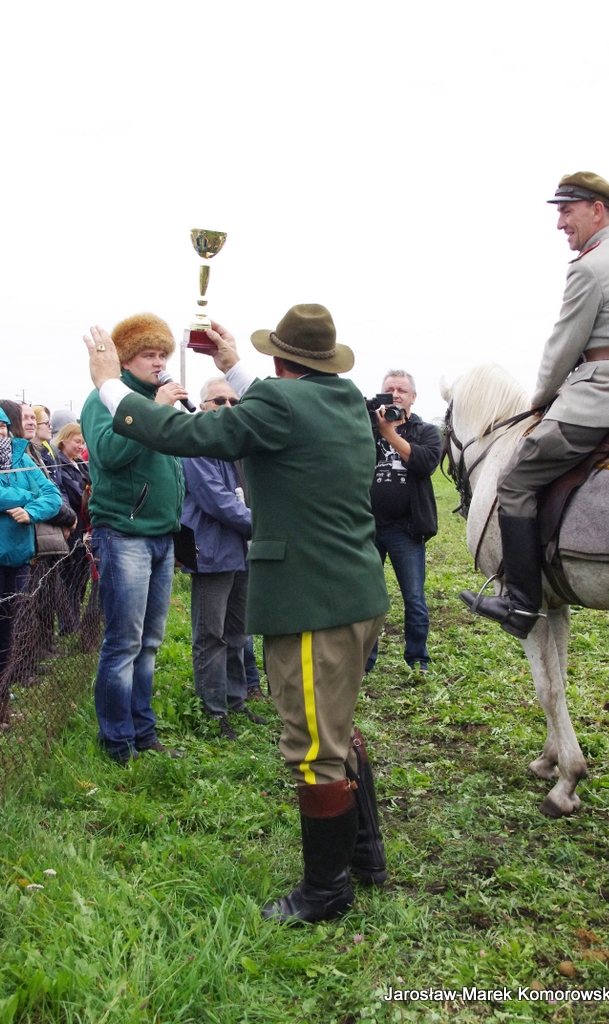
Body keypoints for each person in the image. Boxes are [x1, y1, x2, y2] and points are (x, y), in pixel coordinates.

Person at [84, 303, 390, 924]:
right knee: (335, 726)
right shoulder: (344, 399)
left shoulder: (280, 403)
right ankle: (364, 855)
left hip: (312, 602)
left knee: (314, 747)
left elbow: (182, 435)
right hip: (353, 593)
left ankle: (326, 890)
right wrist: (233, 365)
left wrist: (109, 383)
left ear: (280, 362)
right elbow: (280, 405)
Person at [461, 171, 609, 638]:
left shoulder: (590, 266)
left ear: (596, 210)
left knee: (515, 480)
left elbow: (563, 348)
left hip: (603, 400)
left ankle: (521, 604)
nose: (560, 223)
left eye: (566, 211)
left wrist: (540, 400)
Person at [80, 312, 186, 764]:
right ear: (124, 359)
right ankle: (117, 742)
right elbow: (108, 454)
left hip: (161, 535)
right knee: (124, 642)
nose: (159, 362)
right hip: (124, 534)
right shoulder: (101, 400)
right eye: (148, 354)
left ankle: (144, 733)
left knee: (150, 642)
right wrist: (155, 411)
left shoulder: (155, 400)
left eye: (163, 354)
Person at [0, 403, 62, 732]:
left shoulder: (20, 456)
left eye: (2, 426)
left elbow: (52, 495)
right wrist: (26, 495)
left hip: (17, 556)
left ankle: (0, 701)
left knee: (8, 633)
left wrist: (31, 511)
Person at [181, 376, 267, 740]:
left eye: (234, 401)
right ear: (203, 407)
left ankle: (235, 699)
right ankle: (213, 711)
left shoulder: (236, 447)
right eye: (220, 401)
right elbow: (218, 500)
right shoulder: (197, 445)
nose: (228, 407)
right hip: (211, 551)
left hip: (241, 551)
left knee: (237, 632)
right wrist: (265, 525)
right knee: (211, 634)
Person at [367, 370, 441, 674]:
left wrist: (390, 434)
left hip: (406, 529)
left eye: (401, 390)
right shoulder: (367, 428)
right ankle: (364, 660)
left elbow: (426, 463)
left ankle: (418, 659)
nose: (395, 395)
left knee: (414, 596)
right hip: (369, 527)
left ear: (413, 397)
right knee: (367, 597)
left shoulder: (425, 431)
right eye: (389, 390)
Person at [53, 422, 92, 631]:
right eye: (77, 441)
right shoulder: (59, 464)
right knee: (70, 574)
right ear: (64, 439)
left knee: (81, 575)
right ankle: (68, 624)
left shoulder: (79, 463)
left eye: (83, 442)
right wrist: (89, 495)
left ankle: (74, 619)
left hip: (84, 523)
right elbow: (78, 494)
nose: (80, 446)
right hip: (73, 523)